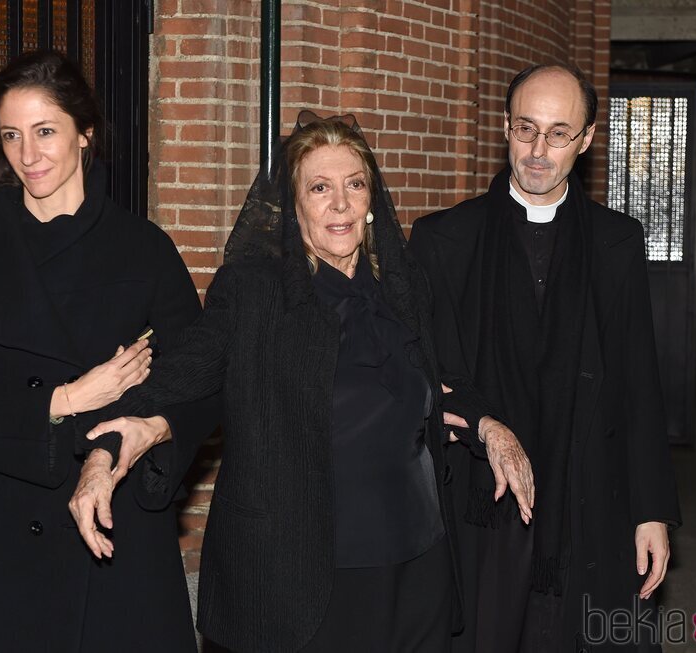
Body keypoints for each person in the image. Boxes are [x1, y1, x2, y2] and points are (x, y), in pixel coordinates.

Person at [69, 112, 535, 652]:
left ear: (370, 199)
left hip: (417, 563)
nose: (340, 204)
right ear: (293, 207)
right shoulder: (255, 293)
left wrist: (492, 429)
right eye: (320, 188)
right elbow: (179, 376)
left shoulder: (405, 289)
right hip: (307, 579)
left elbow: (448, 383)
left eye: (353, 185)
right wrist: (104, 453)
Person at [0, 50, 216, 653]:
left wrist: (143, 430)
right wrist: (65, 399)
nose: (28, 155)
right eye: (11, 136)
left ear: (86, 134)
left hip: (117, 532)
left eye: (45, 131)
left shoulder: (144, 251)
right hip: (6, 541)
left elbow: (202, 381)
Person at [408, 64, 682, 653]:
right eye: (526, 129)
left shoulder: (618, 243)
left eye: (559, 134)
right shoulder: (443, 241)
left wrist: (651, 512)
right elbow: (425, 376)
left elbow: (639, 384)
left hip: (592, 496)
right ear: (505, 128)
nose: (538, 150)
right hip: (482, 502)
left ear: (586, 141)